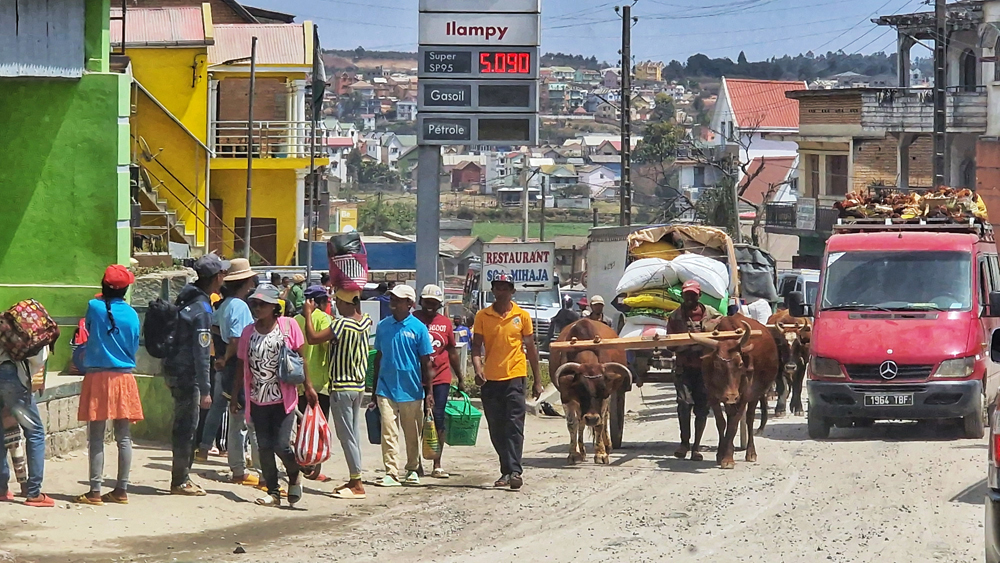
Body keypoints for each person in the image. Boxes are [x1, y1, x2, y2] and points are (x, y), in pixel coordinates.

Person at [236, 284, 318, 507]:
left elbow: (301, 358)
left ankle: (294, 474)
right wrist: (235, 396)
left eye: (262, 304)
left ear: (274, 306)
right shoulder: (248, 332)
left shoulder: (289, 326)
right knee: (264, 447)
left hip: (284, 399)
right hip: (257, 399)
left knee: (281, 445)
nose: (257, 308)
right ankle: (273, 492)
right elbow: (241, 366)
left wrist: (309, 387)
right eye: (254, 303)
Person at [75, 265, 145, 506]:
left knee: (96, 437)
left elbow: (90, 329)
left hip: (97, 377)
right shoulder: (132, 314)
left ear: (103, 285)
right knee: (123, 437)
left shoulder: (94, 306)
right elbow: (133, 344)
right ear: (125, 290)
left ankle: (94, 491)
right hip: (124, 378)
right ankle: (121, 490)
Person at [164, 254, 228, 496]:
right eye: (222, 273)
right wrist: (206, 389)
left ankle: (181, 478)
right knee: (187, 428)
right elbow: (202, 353)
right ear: (216, 277)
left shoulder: (186, 298)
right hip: (187, 375)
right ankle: (180, 481)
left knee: (182, 425)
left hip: (173, 369)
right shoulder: (201, 309)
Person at [472, 274, 542, 491]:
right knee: (496, 427)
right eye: (498, 287)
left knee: (514, 425)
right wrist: (478, 369)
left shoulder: (522, 316)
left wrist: (537, 380)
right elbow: (476, 347)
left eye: (505, 288)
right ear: (493, 290)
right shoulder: (482, 316)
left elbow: (531, 349)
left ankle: (515, 471)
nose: (501, 292)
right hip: (491, 380)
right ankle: (506, 470)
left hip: (515, 377)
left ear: (512, 291)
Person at [303, 288, 373, 500]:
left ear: (345, 303)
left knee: (346, 436)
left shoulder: (342, 324)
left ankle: (357, 482)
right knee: (353, 434)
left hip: (342, 386)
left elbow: (312, 338)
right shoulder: (366, 321)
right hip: (358, 386)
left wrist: (308, 314)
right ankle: (354, 478)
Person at [199, 258, 260, 487]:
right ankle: (247, 469)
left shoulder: (224, 305)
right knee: (244, 421)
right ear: (246, 282)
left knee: (231, 416)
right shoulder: (240, 307)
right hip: (237, 366)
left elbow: (214, 326)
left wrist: (222, 353)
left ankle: (221, 457)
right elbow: (237, 339)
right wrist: (226, 357)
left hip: (227, 365)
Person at [371, 285, 433, 488]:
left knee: (411, 432)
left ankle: (412, 468)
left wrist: (429, 391)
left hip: (411, 389)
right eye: (392, 299)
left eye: (398, 300)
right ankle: (391, 472)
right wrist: (373, 390)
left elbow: (426, 362)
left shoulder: (418, 328)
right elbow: (378, 358)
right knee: (388, 432)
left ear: (410, 304)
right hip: (386, 388)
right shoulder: (383, 326)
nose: (394, 303)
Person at [413, 285, 467, 479]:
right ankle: (416, 462)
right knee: (416, 420)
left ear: (439, 304)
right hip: (416, 378)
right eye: (427, 302)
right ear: (421, 301)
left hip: (440, 378)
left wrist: (460, 377)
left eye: (434, 303)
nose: (430, 306)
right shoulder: (413, 320)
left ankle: (437, 463)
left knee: (438, 418)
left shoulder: (445, 323)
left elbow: (452, 352)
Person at [665, 280, 723, 461]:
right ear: (682, 295)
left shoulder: (713, 315)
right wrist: (684, 345)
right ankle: (684, 443)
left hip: (705, 369)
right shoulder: (675, 317)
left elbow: (723, 338)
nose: (689, 298)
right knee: (684, 404)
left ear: (699, 296)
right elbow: (669, 344)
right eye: (687, 295)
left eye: (693, 295)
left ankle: (696, 447)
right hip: (684, 367)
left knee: (702, 408)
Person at [0, 342, 51, 507]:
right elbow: (38, 357)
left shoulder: (6, 327)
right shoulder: (34, 329)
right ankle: (33, 492)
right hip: (16, 376)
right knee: (35, 432)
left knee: (4, 431)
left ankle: (2, 488)